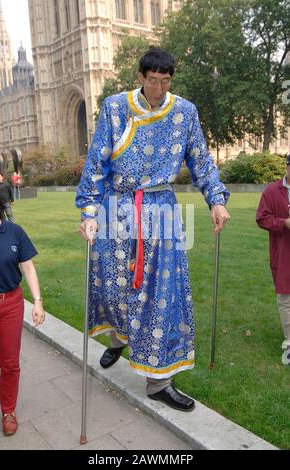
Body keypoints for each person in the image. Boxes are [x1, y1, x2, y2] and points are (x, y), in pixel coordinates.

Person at [76, 47, 230, 411]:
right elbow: (96, 162)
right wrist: (88, 211)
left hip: (161, 211)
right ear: (141, 77)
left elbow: (201, 160)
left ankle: (159, 382)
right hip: (117, 208)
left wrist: (217, 199)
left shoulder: (185, 112)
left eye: (165, 82)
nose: (159, 88)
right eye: (153, 81)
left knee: (162, 296)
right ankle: (118, 340)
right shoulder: (115, 108)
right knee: (113, 290)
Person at [0, 184, 45, 444]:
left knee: (10, 364)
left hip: (11, 306)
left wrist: (37, 301)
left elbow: (29, 269)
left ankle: (8, 411)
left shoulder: (14, 232)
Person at [256, 153, 290, 365]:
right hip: (283, 251)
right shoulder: (272, 191)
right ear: (287, 166)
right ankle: (289, 342)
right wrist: (283, 223)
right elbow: (261, 217)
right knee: (286, 298)